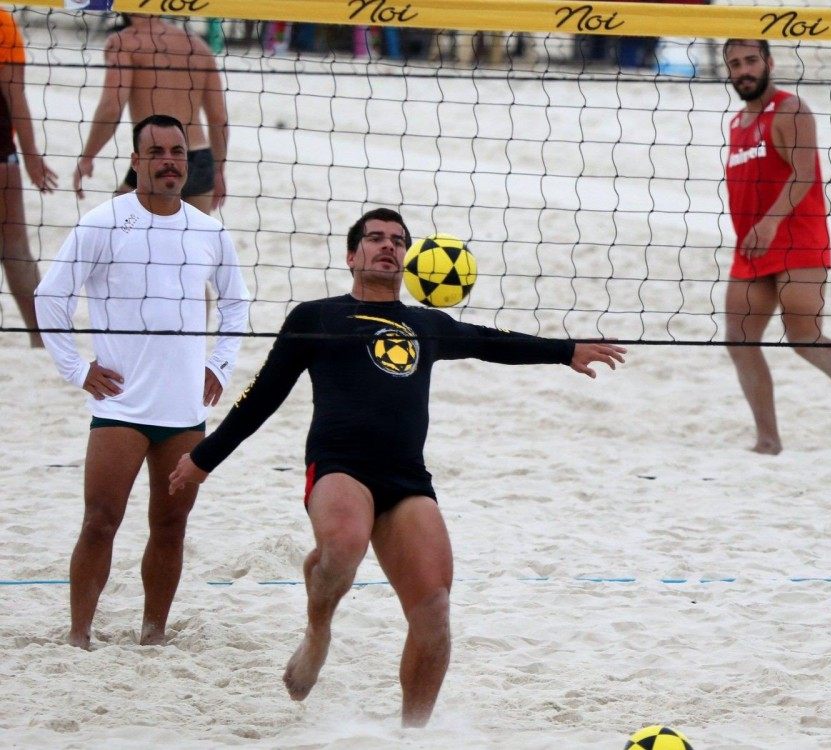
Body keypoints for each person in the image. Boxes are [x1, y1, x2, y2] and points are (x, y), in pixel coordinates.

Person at [168, 207, 625, 726]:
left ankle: (413, 733)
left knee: (433, 609)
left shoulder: (425, 324)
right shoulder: (316, 317)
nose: (389, 246)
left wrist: (565, 351)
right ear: (351, 255)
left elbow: (491, 341)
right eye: (376, 238)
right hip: (340, 465)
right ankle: (319, 632)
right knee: (342, 547)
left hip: (407, 479)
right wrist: (204, 460)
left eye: (398, 241)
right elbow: (261, 397)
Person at [35, 114, 250, 650]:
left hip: (184, 410)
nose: (170, 161)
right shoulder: (104, 222)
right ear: (136, 162)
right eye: (156, 152)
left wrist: (220, 364)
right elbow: (50, 297)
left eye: (177, 152)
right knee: (100, 522)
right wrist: (77, 368)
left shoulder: (208, 231)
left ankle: (153, 634)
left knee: (171, 526)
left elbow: (238, 304)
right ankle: (79, 634)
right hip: (122, 406)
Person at [722, 38, 831, 454]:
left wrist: (772, 221)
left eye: (750, 60)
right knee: (739, 341)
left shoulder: (790, 109)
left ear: (769, 63)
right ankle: (768, 439)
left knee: (805, 338)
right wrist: (757, 230)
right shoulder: (737, 124)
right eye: (735, 63)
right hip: (752, 247)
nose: (743, 69)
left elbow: (804, 172)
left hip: (797, 241)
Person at [73, 14, 228, 214]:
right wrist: (218, 170)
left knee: (118, 229)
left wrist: (87, 157)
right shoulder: (197, 45)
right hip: (200, 159)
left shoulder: (124, 42)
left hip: (156, 156)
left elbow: (112, 107)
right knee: (189, 241)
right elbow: (219, 118)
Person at [0, 9, 57, 347]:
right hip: (1, 156)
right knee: (16, 248)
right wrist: (32, 155)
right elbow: (15, 95)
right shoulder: (2, 22)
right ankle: (40, 339)